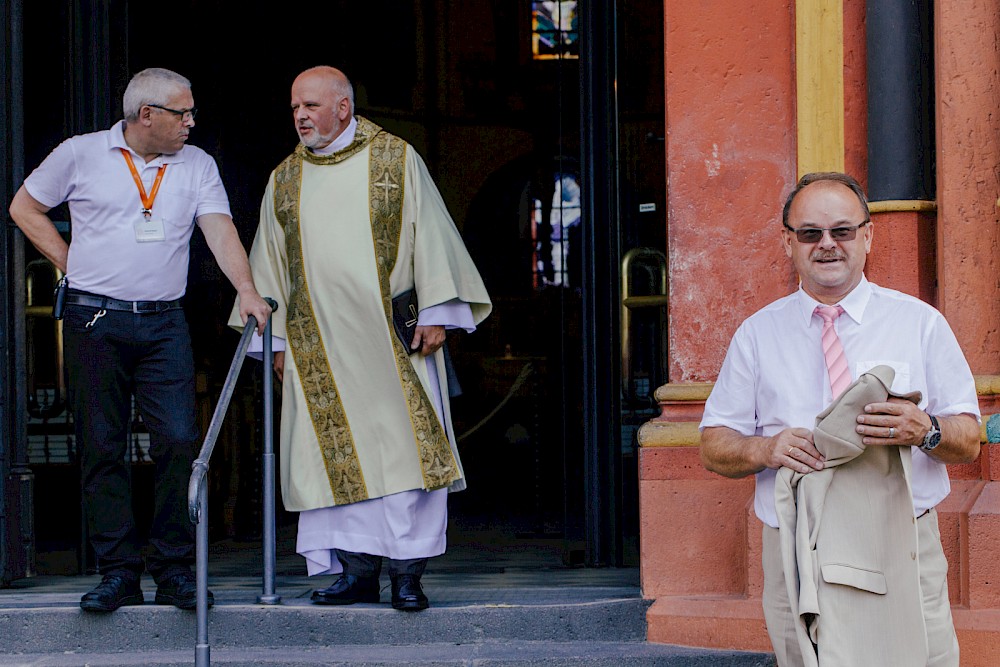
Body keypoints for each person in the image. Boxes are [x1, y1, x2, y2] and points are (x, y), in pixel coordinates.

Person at [9, 67, 272, 612]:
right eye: (183, 113)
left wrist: (246, 288)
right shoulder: (80, 154)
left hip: (162, 323)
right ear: (146, 115)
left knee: (179, 440)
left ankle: (172, 568)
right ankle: (118, 572)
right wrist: (67, 262)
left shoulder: (196, 164)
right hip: (93, 320)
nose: (192, 123)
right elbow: (24, 207)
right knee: (102, 447)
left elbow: (219, 228)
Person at [229, 66, 491, 611]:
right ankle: (355, 574)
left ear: (343, 108)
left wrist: (437, 311)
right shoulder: (286, 178)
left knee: (404, 461)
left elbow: (433, 234)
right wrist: (274, 343)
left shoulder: (396, 160)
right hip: (317, 345)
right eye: (295, 108)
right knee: (329, 460)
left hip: (393, 342)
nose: (300, 116)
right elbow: (268, 263)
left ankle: (407, 577)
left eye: (311, 106)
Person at [699, 172, 980, 666]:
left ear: (868, 236)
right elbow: (714, 443)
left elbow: (969, 438)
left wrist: (926, 429)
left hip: (900, 537)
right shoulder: (757, 334)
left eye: (842, 231)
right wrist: (764, 449)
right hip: (795, 544)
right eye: (810, 233)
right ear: (788, 242)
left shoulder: (919, 323)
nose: (827, 245)